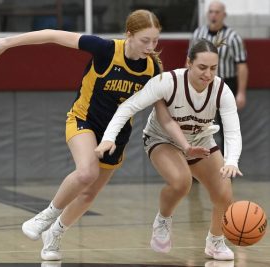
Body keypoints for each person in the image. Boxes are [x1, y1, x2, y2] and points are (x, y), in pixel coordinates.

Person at [0, 9, 208, 261]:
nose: (151, 47)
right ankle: (46, 215)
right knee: (87, 172)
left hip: (116, 135)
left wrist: (184, 145)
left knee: (88, 194)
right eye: (145, 40)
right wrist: (7, 42)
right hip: (83, 120)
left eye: (155, 41)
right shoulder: (105, 49)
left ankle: (55, 233)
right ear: (129, 34)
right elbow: (52, 34)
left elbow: (163, 116)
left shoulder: (152, 68)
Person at [95, 38, 243, 261]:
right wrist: (108, 137)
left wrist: (232, 161)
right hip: (162, 139)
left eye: (213, 68)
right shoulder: (167, 81)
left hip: (201, 141)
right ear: (188, 63)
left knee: (224, 195)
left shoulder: (222, 90)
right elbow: (128, 106)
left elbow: (232, 130)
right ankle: (163, 219)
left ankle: (215, 242)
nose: (208, 74)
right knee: (181, 182)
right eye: (202, 67)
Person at [190, 0, 248, 152]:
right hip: (202, 85)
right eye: (210, 11)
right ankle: (198, 168)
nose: (213, 15)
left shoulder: (233, 37)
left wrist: (241, 92)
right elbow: (189, 61)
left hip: (225, 84)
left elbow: (241, 66)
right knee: (197, 126)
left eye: (217, 12)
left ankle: (227, 168)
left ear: (224, 15)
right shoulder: (198, 34)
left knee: (227, 128)